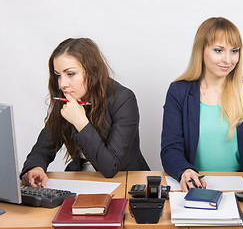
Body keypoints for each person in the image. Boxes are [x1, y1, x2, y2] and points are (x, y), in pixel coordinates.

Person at [161, 17, 243, 192]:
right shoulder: (178, 91)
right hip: (197, 186)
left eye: (234, 51)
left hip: (240, 186)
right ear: (201, 51)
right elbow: (171, 148)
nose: (228, 60)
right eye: (218, 50)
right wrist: (184, 171)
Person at [20, 38, 150, 187]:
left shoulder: (123, 99)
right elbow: (43, 148)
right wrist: (35, 168)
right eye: (58, 75)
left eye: (70, 74)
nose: (62, 84)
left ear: (92, 72)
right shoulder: (67, 98)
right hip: (82, 179)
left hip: (125, 181)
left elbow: (110, 167)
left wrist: (80, 122)